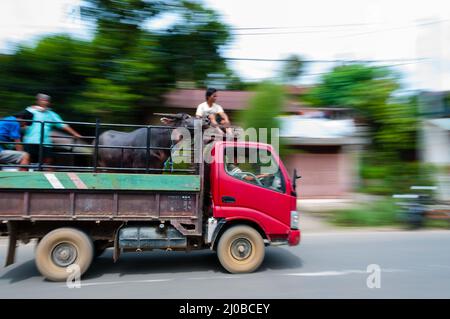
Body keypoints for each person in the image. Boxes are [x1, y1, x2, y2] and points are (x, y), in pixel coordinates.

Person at [23, 93, 82, 165]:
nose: (45, 102)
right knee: (26, 159)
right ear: (38, 101)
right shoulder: (30, 110)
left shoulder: (51, 114)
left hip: (45, 142)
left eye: (47, 100)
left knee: (48, 161)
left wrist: (75, 134)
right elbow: (21, 121)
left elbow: (62, 125)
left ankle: (49, 175)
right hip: (31, 140)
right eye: (42, 100)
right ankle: (23, 174)